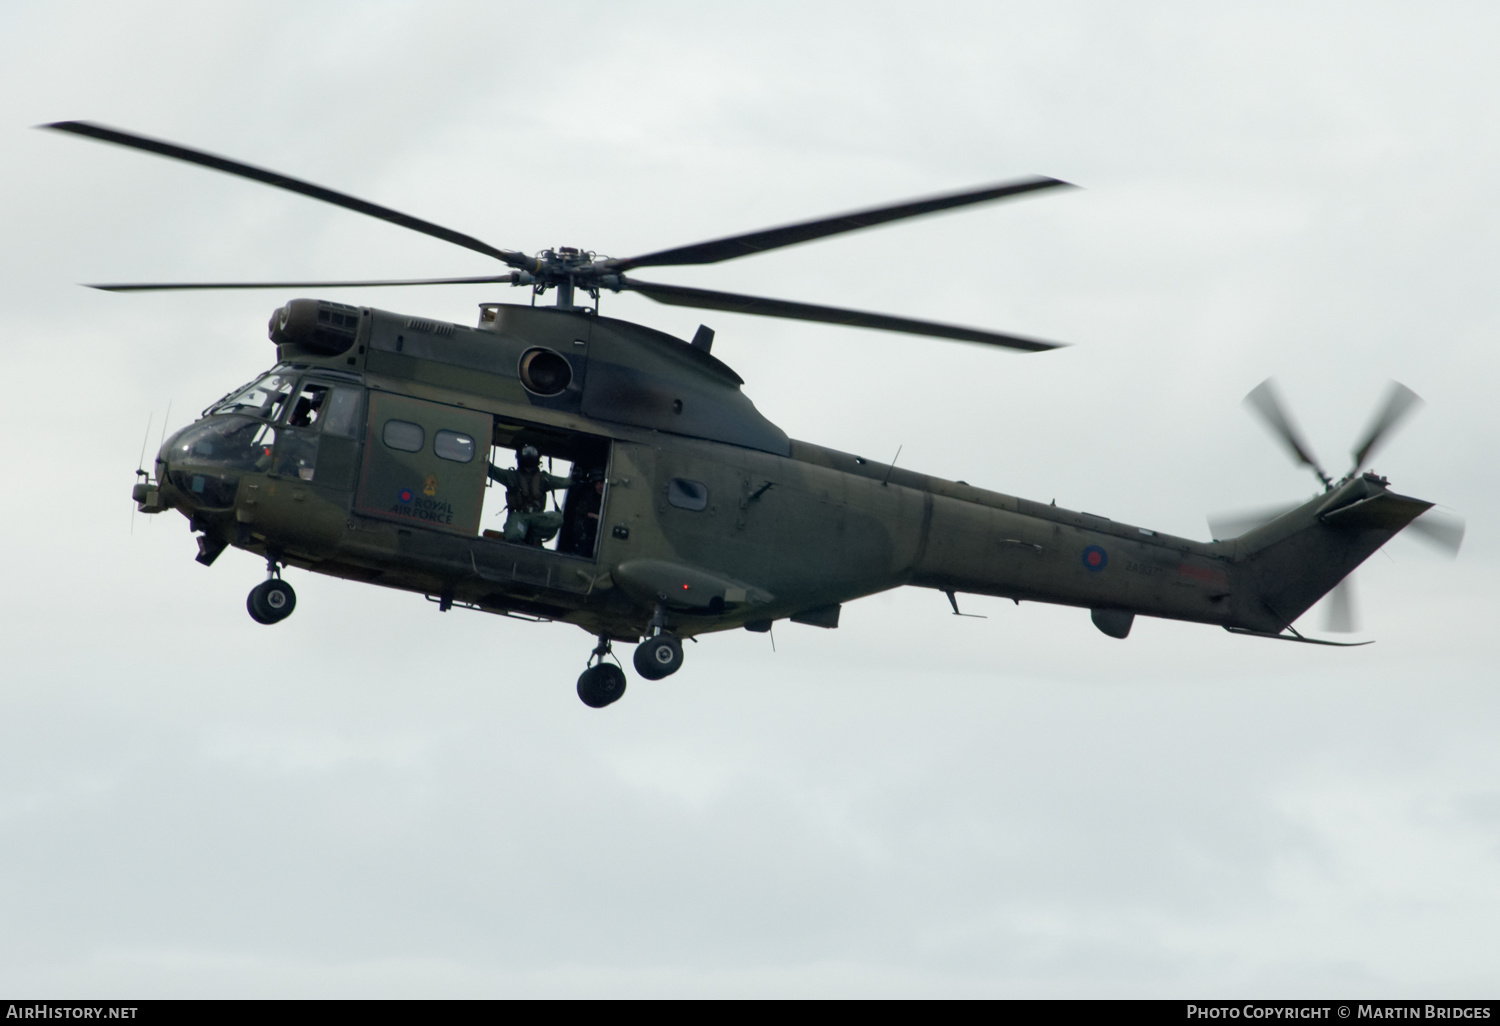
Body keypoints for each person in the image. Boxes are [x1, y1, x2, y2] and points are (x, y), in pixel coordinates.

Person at [487, 445, 569, 545]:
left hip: (537, 516)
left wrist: (577, 478)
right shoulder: (512, 476)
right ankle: (523, 537)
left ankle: (533, 534)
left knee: (557, 519)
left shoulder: (543, 479)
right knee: (513, 536)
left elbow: (564, 482)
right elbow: (491, 470)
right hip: (519, 515)